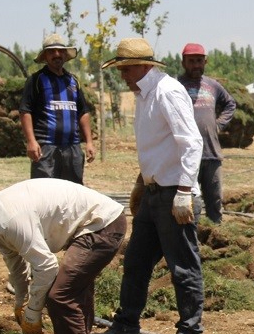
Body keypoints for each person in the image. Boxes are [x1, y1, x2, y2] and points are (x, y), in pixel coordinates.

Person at [101, 37, 205, 334]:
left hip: (175, 195)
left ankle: (190, 328)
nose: (122, 76)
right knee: (136, 262)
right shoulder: (144, 95)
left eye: (125, 69)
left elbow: (191, 142)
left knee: (183, 267)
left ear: (143, 66)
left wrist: (185, 191)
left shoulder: (168, 92)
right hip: (153, 193)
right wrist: (142, 183)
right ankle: (125, 324)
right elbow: (157, 147)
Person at [0, 178, 126, 334]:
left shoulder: (7, 220)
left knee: (60, 296)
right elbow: (16, 264)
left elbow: (47, 266)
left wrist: (33, 313)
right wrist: (20, 302)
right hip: (86, 227)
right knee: (73, 289)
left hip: (102, 224)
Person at [20, 33, 95, 185]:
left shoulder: (73, 81)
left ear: (65, 55)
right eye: (51, 51)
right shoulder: (36, 80)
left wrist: (89, 142)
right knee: (44, 193)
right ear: (45, 56)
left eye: (60, 51)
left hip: (72, 148)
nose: (56, 54)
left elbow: (83, 112)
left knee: (72, 193)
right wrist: (31, 141)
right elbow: (25, 111)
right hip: (46, 148)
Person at [177, 43, 236, 224]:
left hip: (211, 153)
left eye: (199, 61)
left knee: (214, 201)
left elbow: (230, 104)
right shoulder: (175, 85)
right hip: (185, 157)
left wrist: (218, 125)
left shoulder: (212, 86)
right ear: (183, 63)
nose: (196, 65)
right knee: (190, 203)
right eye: (191, 61)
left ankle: (215, 236)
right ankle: (192, 240)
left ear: (205, 62)